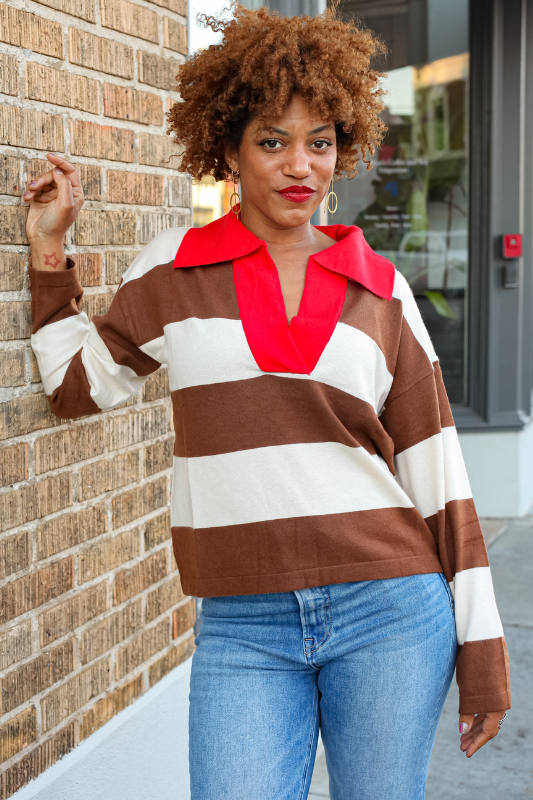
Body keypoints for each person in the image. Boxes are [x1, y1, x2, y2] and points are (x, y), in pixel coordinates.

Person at [24, 3, 510, 798]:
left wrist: (481, 648)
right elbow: (76, 389)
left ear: (341, 150)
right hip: (243, 626)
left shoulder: (381, 289)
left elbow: (438, 473)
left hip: (388, 610)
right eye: (272, 142)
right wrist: (50, 249)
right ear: (228, 149)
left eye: (319, 143)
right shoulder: (174, 270)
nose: (299, 167)